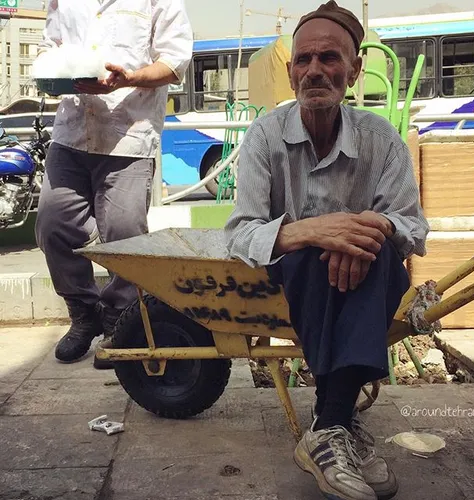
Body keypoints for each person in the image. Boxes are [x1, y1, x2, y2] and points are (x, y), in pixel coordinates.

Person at [224, 2, 429, 499]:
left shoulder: (381, 140)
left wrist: (368, 228)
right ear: (292, 71)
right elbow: (239, 234)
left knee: (378, 253)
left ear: (354, 70)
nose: (315, 70)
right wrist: (314, 232)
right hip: (291, 285)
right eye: (304, 59)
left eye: (330, 59)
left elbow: (413, 229)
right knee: (310, 257)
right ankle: (338, 424)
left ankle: (329, 426)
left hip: (367, 280)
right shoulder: (265, 137)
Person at [35, 1, 193, 369]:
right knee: (53, 226)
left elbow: (174, 62)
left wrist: (128, 79)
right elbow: (49, 46)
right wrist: (51, 73)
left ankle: (118, 322)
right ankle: (83, 314)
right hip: (70, 132)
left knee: (124, 234)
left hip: (129, 135)